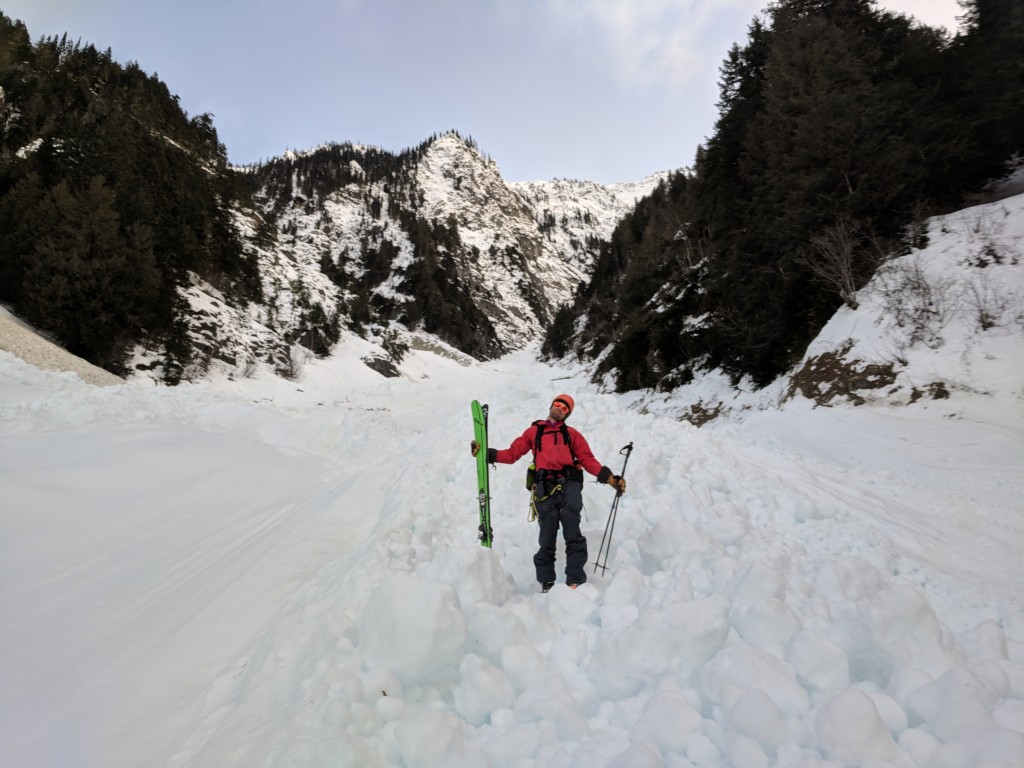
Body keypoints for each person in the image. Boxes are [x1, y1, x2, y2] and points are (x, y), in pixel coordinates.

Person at [471, 394, 627, 591]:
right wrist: (486, 453)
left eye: (564, 408)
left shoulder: (572, 435)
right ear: (551, 406)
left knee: (573, 533)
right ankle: (547, 583)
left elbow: (587, 460)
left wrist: (609, 478)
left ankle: (575, 581)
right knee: (547, 537)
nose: (559, 408)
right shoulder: (533, 432)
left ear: (567, 414)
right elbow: (511, 454)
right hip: (544, 488)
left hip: (569, 486)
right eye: (557, 404)